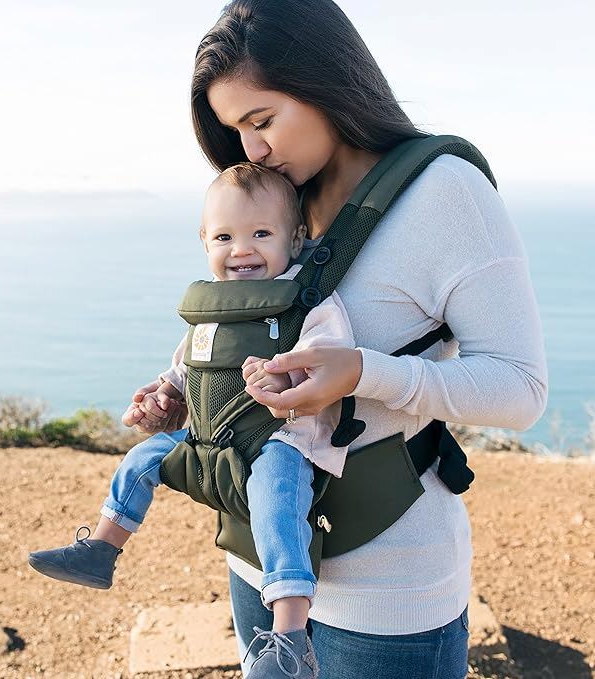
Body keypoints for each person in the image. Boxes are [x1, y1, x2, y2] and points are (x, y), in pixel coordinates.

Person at [123, 1, 549, 677]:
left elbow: (520, 389)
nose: (251, 150)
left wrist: (359, 371)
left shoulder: (444, 194)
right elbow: (244, 326)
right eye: (237, 130)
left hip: (387, 588)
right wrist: (186, 396)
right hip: (258, 559)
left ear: (324, 83)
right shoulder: (277, 201)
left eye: (261, 120)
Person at [29, 162, 358, 678]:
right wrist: (162, 397)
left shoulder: (309, 303)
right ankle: (101, 548)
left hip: (284, 439)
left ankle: (291, 635)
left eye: (261, 233)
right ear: (204, 241)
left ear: (295, 240)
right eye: (225, 236)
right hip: (208, 439)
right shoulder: (209, 312)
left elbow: (329, 358)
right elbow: (186, 371)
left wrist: (287, 380)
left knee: (277, 502)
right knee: (143, 458)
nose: (242, 248)